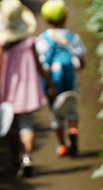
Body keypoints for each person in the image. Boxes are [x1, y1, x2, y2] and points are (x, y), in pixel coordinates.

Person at [0, 0, 56, 177]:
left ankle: (16, 157)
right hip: (26, 88)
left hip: (7, 89)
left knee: (10, 125)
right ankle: (27, 156)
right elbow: (38, 66)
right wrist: (49, 83)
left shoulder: (0, 43)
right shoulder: (29, 41)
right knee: (26, 124)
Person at [36, 0, 86, 157]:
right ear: (66, 16)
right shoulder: (73, 37)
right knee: (71, 105)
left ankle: (62, 145)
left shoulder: (43, 38)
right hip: (70, 80)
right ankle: (73, 129)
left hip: (51, 82)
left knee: (55, 111)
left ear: (46, 20)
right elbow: (81, 62)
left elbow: (39, 61)